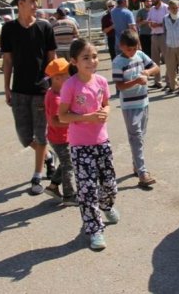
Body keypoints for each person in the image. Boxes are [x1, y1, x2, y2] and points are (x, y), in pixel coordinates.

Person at [58, 39, 118, 249]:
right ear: (73, 61)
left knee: (109, 183)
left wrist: (106, 112)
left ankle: (107, 205)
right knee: (87, 189)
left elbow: (107, 105)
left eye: (94, 56)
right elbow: (62, 116)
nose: (92, 61)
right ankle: (94, 230)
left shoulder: (101, 81)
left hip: (102, 141)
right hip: (80, 146)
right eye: (86, 57)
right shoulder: (70, 85)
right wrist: (87, 118)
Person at [1, 0, 57, 195]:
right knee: (25, 137)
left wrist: (54, 85)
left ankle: (36, 175)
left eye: (36, 1)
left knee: (41, 135)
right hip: (19, 90)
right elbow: (7, 61)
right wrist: (6, 87)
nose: (36, 5)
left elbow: (53, 59)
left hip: (41, 89)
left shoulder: (45, 27)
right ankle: (49, 157)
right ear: (20, 3)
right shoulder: (8, 29)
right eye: (32, 1)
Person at [112, 29, 159, 187]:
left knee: (140, 137)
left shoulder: (140, 55)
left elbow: (156, 67)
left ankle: (136, 165)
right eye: (128, 49)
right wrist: (136, 82)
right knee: (136, 137)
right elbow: (119, 86)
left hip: (143, 102)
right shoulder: (118, 62)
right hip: (129, 105)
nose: (131, 52)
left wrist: (147, 72)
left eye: (134, 48)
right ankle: (143, 172)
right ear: (121, 46)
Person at [43, 58, 78, 207]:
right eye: (67, 75)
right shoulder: (54, 98)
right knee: (69, 165)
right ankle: (69, 195)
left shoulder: (58, 93)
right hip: (59, 138)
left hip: (62, 136)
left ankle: (53, 187)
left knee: (65, 163)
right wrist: (73, 120)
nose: (70, 77)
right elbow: (53, 122)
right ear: (57, 78)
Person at [147, 0, 169, 89]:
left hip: (164, 35)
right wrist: (151, 24)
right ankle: (157, 82)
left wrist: (159, 25)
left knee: (168, 59)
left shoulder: (166, 8)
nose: (152, 0)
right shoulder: (151, 9)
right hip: (154, 36)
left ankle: (169, 82)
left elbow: (169, 22)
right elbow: (148, 20)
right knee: (155, 61)